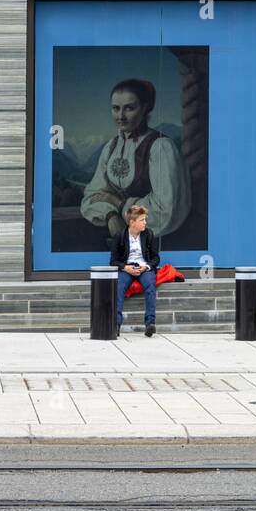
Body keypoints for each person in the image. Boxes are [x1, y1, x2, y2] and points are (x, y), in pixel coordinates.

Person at [80, 77, 192, 240]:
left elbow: (166, 212)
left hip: (157, 241)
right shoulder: (111, 147)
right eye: (116, 108)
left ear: (145, 108)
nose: (121, 116)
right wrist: (110, 215)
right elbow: (91, 196)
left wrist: (118, 203)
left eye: (129, 108)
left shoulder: (161, 147)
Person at [111, 205, 160, 336]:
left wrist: (147, 267)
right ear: (132, 222)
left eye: (145, 219)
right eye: (142, 220)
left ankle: (150, 323)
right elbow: (113, 261)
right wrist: (125, 267)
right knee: (119, 287)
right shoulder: (119, 236)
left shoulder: (148, 234)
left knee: (150, 285)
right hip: (127, 269)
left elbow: (156, 258)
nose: (145, 222)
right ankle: (116, 324)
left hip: (144, 268)